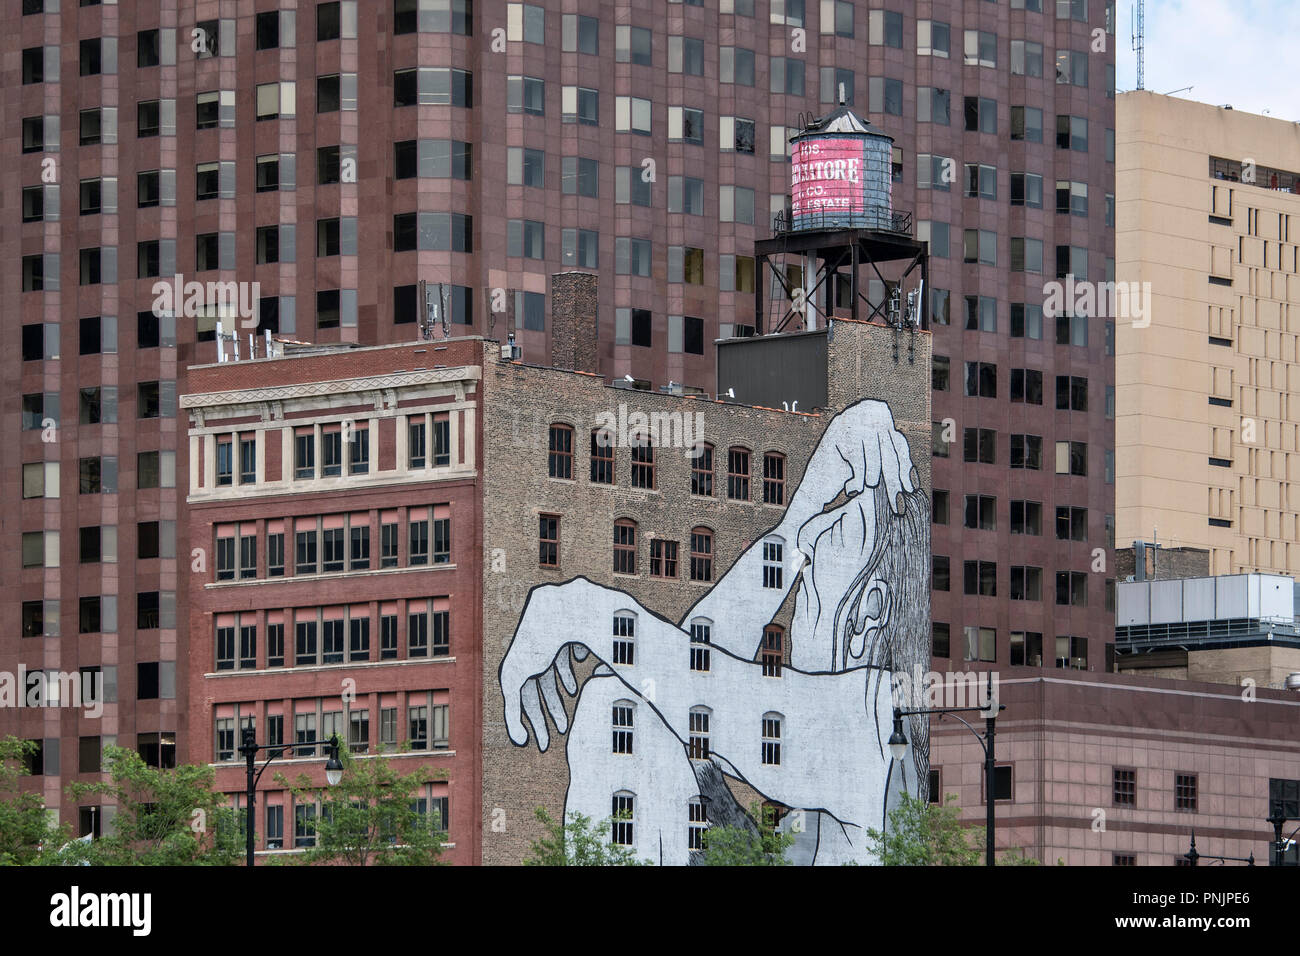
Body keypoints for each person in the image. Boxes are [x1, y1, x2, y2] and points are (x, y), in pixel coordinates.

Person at [499, 398, 930, 864]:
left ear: (868, 611)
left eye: (810, 580)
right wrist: (803, 510)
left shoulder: (877, 723)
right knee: (625, 705)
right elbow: (700, 664)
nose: (795, 598)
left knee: (634, 711)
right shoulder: (857, 743)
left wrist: (581, 609)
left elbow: (713, 692)